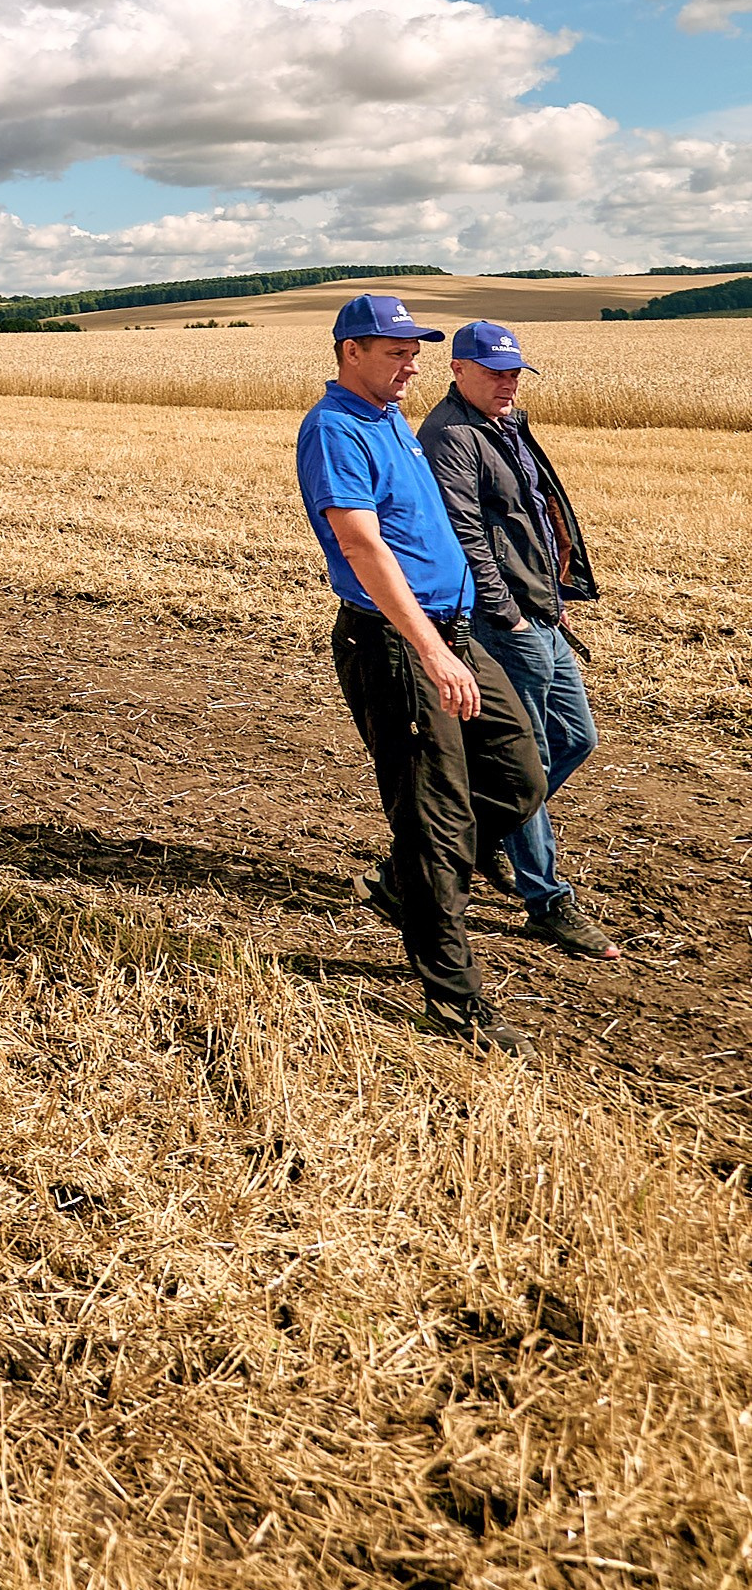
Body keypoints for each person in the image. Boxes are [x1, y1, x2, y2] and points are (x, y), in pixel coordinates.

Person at [296, 292, 545, 1050]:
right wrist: (431, 652)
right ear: (351, 352)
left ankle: (404, 884)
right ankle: (454, 1000)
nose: (411, 366)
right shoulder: (335, 428)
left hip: (453, 633)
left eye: (414, 354)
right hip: (398, 645)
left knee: (519, 776)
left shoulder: (390, 421)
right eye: (396, 353)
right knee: (434, 819)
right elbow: (362, 546)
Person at [418, 321, 616, 963]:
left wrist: (555, 601)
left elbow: (538, 518)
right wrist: (508, 616)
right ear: (458, 369)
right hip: (508, 624)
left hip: (542, 614)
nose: (507, 384)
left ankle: (476, 833)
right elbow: (465, 534)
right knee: (523, 759)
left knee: (575, 738)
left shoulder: (504, 425)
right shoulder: (451, 436)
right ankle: (546, 898)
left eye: (513, 373)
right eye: (495, 373)